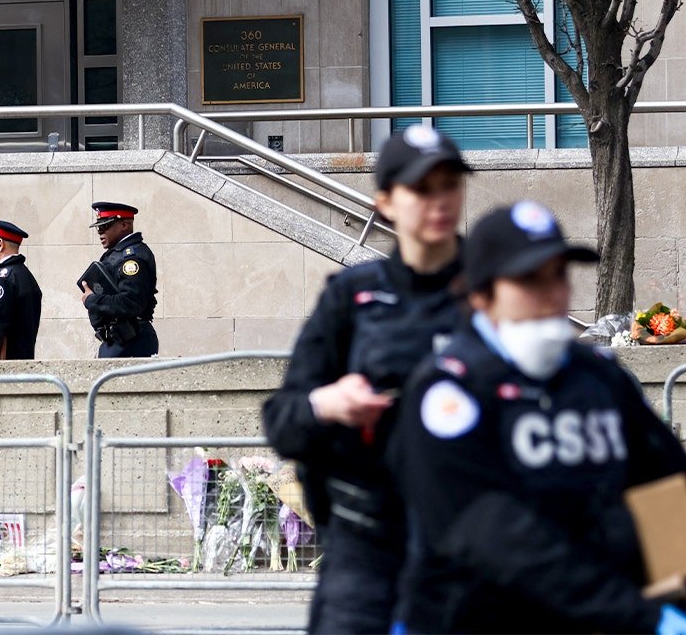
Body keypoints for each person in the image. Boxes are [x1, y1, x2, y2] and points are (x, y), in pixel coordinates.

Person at [388, 200, 686, 634]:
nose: (551, 293)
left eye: (558, 275)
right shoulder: (446, 391)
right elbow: (498, 537)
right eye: (529, 279)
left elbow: (666, 486)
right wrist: (645, 617)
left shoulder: (599, 378)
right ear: (481, 293)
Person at [261, 124, 471, 633]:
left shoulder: (497, 292)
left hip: (470, 552)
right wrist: (328, 404)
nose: (439, 201)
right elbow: (283, 420)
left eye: (450, 185)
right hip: (367, 549)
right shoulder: (352, 297)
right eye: (421, 188)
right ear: (385, 203)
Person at [78, 201, 159, 357]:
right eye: (98, 228)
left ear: (125, 225)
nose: (100, 232)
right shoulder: (116, 254)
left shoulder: (132, 258)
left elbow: (130, 303)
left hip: (131, 342)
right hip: (116, 341)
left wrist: (92, 300)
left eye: (105, 226)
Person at [0, 217, 43, 360]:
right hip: (22, 362)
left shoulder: (2, 280)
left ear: (0, 244)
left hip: (3, 366)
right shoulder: (25, 275)